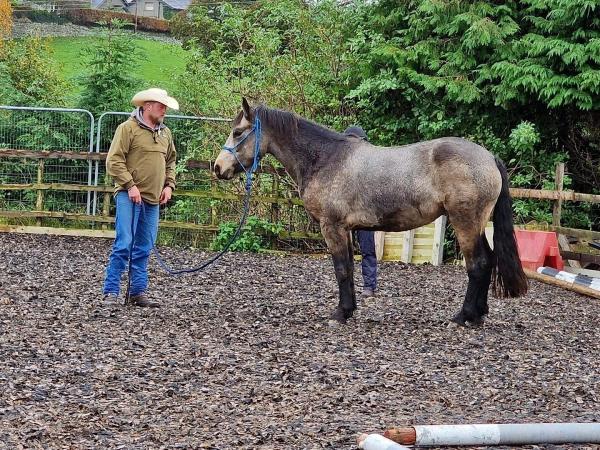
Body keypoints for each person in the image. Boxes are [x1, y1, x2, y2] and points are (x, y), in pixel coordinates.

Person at [102, 88, 178, 307]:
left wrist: (169, 185)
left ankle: (137, 291)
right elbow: (114, 161)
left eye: (165, 106)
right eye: (160, 105)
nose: (164, 110)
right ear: (147, 106)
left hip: (153, 198)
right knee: (124, 243)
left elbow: (171, 161)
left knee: (144, 246)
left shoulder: (166, 134)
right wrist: (130, 185)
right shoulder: (127, 129)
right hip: (129, 195)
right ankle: (111, 291)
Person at [343, 126, 378, 298]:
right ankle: (348, 287)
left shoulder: (369, 165)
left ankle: (369, 285)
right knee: (346, 252)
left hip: (364, 213)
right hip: (345, 214)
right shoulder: (340, 166)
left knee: (367, 250)